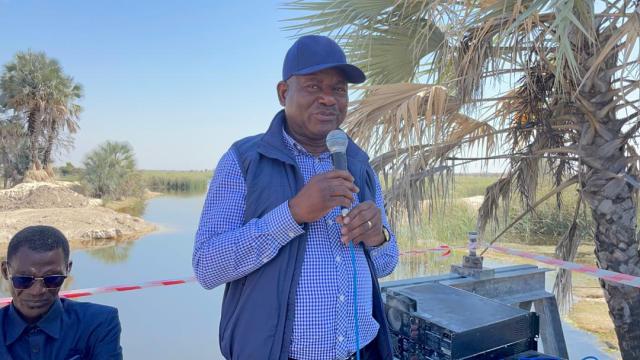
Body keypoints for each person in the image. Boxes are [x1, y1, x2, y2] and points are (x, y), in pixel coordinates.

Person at [193, 35, 399, 360]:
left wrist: (378, 237)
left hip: (362, 351)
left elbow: (386, 263)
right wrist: (292, 214)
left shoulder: (359, 164)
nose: (329, 99)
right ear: (283, 93)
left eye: (339, 89)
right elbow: (206, 267)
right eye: (314, 87)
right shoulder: (245, 160)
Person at [0, 225, 123, 360]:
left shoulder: (99, 323)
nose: (37, 291)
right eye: (23, 280)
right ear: (6, 271)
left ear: (67, 269)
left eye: (52, 279)